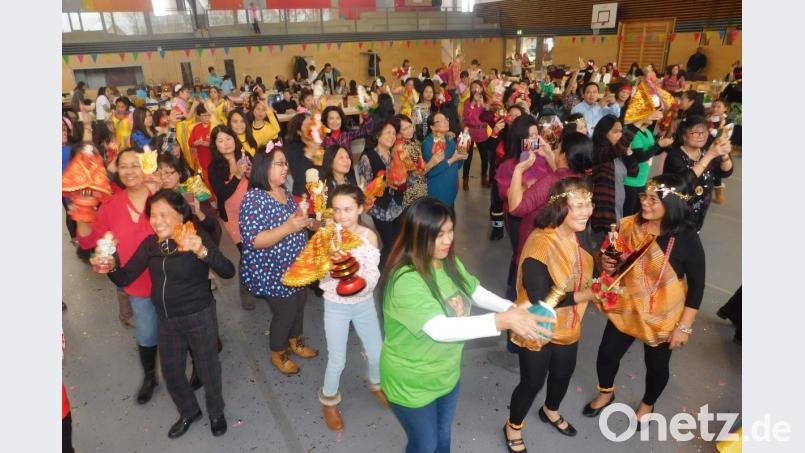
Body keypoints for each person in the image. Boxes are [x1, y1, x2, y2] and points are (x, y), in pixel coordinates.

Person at [379, 197, 553, 453]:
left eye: (450, 231)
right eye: (438, 235)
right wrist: (502, 321)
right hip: (411, 383)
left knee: (443, 436)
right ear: (417, 235)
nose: (448, 240)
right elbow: (440, 329)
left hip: (446, 374)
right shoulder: (405, 280)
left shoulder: (447, 262)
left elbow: (474, 292)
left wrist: (511, 308)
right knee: (424, 445)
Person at [92, 189, 234, 438]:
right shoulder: (151, 245)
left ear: (180, 214)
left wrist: (201, 251)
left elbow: (228, 270)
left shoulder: (195, 236)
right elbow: (125, 277)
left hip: (199, 315)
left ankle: (216, 412)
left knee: (208, 368)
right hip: (167, 320)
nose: (157, 221)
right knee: (171, 372)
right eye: (153, 215)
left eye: (164, 214)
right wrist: (111, 262)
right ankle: (189, 411)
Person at [583, 174, 705, 430]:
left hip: (663, 317)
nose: (645, 203)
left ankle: (648, 404)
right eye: (644, 197)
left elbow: (696, 286)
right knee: (606, 355)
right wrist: (605, 261)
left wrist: (684, 327)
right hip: (627, 306)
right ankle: (606, 392)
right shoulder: (629, 225)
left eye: (653, 199)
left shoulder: (687, 239)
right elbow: (614, 260)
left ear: (672, 204)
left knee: (657, 365)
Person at [504, 178, 597, 451]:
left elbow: (584, 270)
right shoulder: (541, 243)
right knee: (532, 383)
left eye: (588, 203)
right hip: (537, 323)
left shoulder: (576, 234)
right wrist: (586, 295)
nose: (587, 210)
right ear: (560, 208)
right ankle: (513, 426)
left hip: (567, 322)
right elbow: (539, 298)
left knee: (562, 374)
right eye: (578, 205)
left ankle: (551, 411)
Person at [76, 148, 160, 406]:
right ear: (117, 170)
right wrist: (82, 210)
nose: (130, 171)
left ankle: (198, 370)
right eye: (124, 166)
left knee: (180, 328)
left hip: (171, 279)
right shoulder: (111, 206)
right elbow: (89, 239)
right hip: (138, 284)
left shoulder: (161, 197)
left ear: (145, 166)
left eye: (136, 165)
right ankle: (150, 377)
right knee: (147, 334)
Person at [239, 148, 318, 375]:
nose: (285, 168)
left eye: (285, 164)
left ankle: (296, 341)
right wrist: (288, 228)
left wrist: (310, 223)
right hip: (273, 271)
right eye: (279, 164)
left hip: (296, 267)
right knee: (285, 313)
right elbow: (255, 240)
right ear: (264, 167)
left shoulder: (283, 190)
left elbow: (296, 219)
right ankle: (278, 351)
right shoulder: (254, 198)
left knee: (299, 304)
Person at [316, 184, 387, 431]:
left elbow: (373, 272)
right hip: (336, 305)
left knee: (377, 352)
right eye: (337, 210)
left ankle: (376, 383)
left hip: (364, 303)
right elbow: (321, 279)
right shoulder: (329, 237)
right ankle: (329, 398)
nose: (342, 216)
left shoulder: (369, 237)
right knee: (338, 358)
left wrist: (360, 284)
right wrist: (328, 266)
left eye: (348, 209)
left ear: (360, 208)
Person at [508, 132, 593, 260]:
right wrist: (548, 154)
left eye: (557, 148)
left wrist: (519, 170)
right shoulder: (582, 181)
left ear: (564, 155)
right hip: (569, 250)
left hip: (540, 250)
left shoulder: (550, 181)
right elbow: (562, 175)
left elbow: (516, 208)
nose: (554, 150)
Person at [662, 115, 733, 231]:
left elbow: (725, 172)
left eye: (704, 132)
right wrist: (710, 155)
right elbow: (685, 181)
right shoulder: (675, 155)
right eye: (695, 132)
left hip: (698, 213)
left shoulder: (705, 152)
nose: (701, 136)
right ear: (684, 136)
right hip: (675, 212)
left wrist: (725, 155)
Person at [358, 120, 405, 267]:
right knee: (390, 245)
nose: (392, 136)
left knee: (400, 242)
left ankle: (396, 272)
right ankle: (380, 274)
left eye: (393, 133)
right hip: (380, 210)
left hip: (397, 205)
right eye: (388, 133)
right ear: (378, 135)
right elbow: (365, 190)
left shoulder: (396, 154)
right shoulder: (368, 158)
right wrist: (385, 183)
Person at [590, 115, 640, 237]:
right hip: (605, 210)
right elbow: (612, 152)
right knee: (607, 247)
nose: (619, 135)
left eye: (621, 131)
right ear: (604, 133)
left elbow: (634, 172)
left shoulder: (618, 151)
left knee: (612, 249)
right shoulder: (599, 150)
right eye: (615, 132)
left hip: (617, 206)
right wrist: (635, 127)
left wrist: (629, 152)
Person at [421, 112, 468, 210]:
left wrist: (461, 157)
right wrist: (452, 159)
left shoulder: (449, 139)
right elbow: (430, 172)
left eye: (446, 119)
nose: (446, 122)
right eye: (441, 121)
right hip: (438, 191)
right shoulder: (428, 144)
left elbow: (457, 166)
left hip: (451, 190)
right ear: (432, 127)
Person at [462, 81, 494, 189]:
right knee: (467, 157)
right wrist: (472, 104)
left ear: (482, 89)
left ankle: (484, 179)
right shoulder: (467, 102)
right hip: (469, 132)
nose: (476, 90)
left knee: (484, 157)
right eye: (473, 88)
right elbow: (467, 117)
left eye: (478, 87)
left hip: (482, 132)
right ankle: (465, 180)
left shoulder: (486, 100)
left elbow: (489, 113)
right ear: (470, 90)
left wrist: (482, 104)